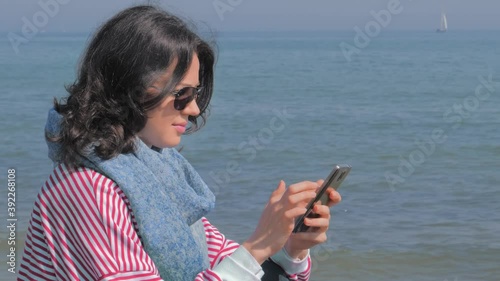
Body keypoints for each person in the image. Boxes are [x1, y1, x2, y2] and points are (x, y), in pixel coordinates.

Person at [18, 5, 341, 281]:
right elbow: (238, 265)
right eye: (181, 94)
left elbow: (225, 264)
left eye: (196, 93)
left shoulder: (150, 171)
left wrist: (290, 247)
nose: (194, 108)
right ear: (131, 89)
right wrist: (259, 245)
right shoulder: (90, 189)